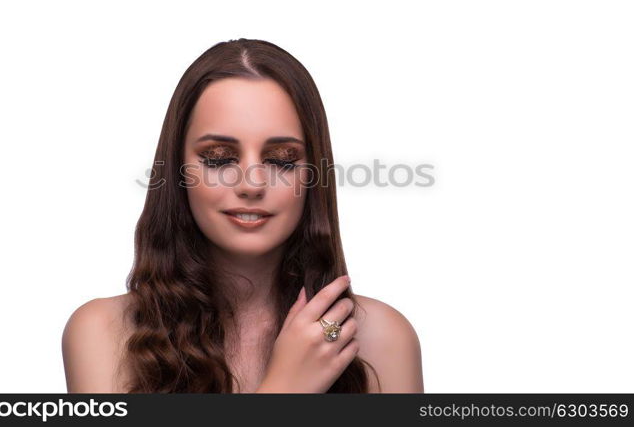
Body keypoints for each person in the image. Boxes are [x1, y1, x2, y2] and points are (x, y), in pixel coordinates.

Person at [61, 38, 424, 393]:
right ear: (177, 172)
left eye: (281, 160)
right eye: (219, 157)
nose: (251, 183)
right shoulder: (102, 334)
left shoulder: (383, 339)